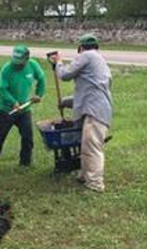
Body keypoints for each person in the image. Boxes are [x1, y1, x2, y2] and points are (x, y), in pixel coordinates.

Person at [50, 34, 113, 193]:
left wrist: (58, 63)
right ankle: (85, 175)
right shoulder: (99, 60)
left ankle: (95, 184)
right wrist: (65, 101)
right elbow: (87, 92)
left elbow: (64, 75)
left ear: (80, 47)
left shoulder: (87, 55)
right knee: (86, 145)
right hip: (97, 107)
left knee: (92, 146)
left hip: (94, 110)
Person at [0, 45, 46, 172]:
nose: (17, 65)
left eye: (20, 63)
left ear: (27, 59)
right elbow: (2, 89)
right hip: (5, 109)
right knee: (0, 136)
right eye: (15, 62)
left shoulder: (33, 65)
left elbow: (41, 79)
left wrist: (38, 94)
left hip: (24, 108)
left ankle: (25, 163)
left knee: (27, 136)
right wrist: (13, 102)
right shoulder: (7, 69)